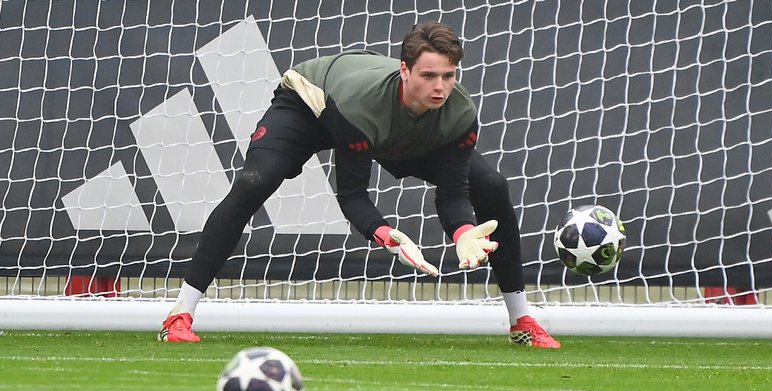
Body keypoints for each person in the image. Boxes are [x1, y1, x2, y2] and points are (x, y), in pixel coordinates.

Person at [159, 21, 560, 349]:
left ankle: (521, 319)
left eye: (449, 76)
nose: (440, 86)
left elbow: (453, 193)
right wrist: (387, 235)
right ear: (405, 71)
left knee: (491, 184)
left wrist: (463, 232)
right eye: (429, 75)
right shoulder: (361, 107)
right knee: (253, 182)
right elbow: (352, 195)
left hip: (390, 129)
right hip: (312, 105)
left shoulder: (458, 112)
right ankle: (180, 313)